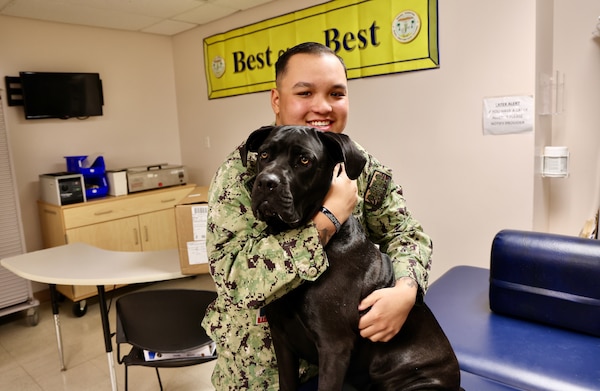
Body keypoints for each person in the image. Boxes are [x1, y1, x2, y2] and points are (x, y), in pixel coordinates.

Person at [202, 42, 433, 390]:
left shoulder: (357, 163)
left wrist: (406, 290)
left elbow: (406, 233)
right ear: (277, 100)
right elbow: (233, 278)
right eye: (305, 92)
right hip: (262, 373)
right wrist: (326, 221)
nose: (322, 106)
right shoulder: (242, 173)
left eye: (336, 93)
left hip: (346, 363)